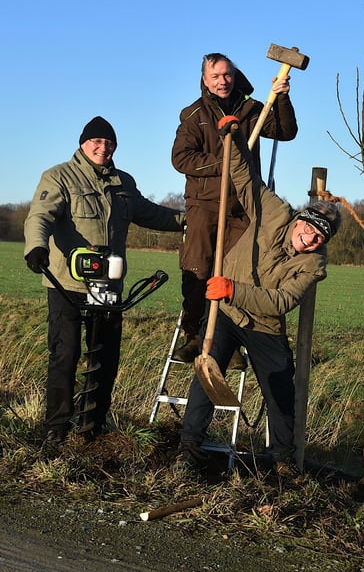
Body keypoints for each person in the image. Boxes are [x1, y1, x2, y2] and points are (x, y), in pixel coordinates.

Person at [175, 123, 338, 476]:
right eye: (309, 229)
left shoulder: (313, 265)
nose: (310, 239)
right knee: (208, 371)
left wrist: (233, 288)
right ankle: (190, 448)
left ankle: (282, 462)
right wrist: (230, 139)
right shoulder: (274, 210)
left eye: (318, 239)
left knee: (280, 385)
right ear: (299, 220)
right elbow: (244, 176)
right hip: (225, 312)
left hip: (263, 323)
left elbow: (280, 302)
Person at [23, 116, 185, 449]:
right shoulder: (59, 176)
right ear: (83, 144)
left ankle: (92, 428)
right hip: (66, 284)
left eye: (108, 143)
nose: (103, 147)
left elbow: (154, 214)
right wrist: (36, 248)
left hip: (109, 286)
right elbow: (40, 215)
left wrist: (194, 220)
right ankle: (56, 429)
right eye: (96, 142)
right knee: (65, 356)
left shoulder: (123, 183)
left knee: (105, 359)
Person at [171, 52, 298, 366]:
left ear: (234, 76)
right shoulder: (193, 114)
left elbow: (285, 131)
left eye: (226, 75)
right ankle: (195, 335)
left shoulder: (252, 109)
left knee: (238, 271)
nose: (222, 81)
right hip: (205, 203)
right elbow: (181, 159)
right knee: (198, 267)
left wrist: (281, 98)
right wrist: (224, 163)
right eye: (215, 76)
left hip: (243, 205)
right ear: (205, 80)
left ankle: (230, 343)